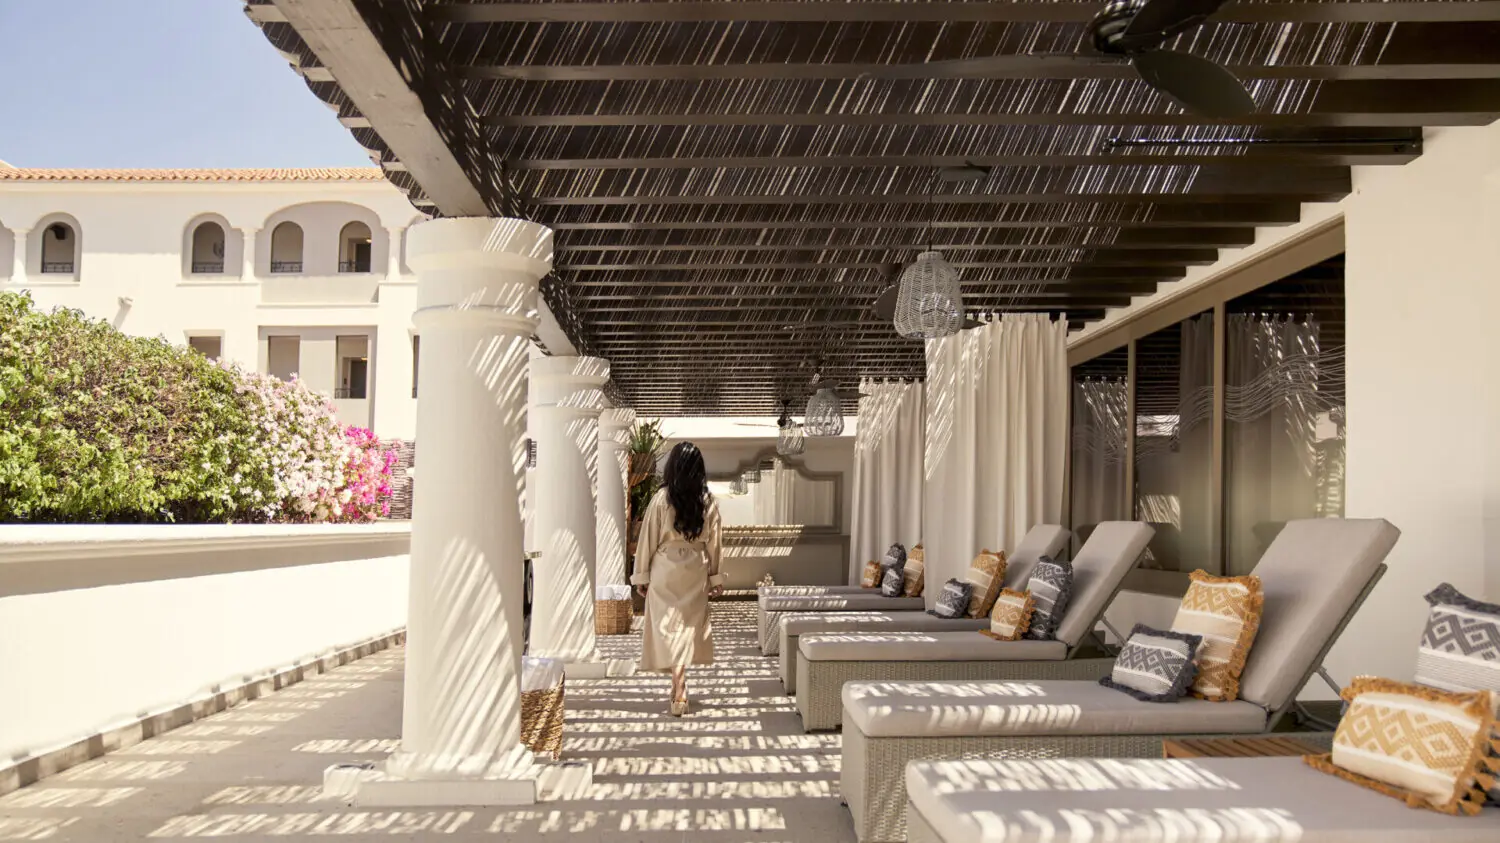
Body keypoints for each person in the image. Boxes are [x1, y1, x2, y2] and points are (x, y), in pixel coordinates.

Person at [630, 441, 724, 716]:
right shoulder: (708, 501)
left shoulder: (661, 499)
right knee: (686, 627)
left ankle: (678, 684)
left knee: (668, 627)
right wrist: (715, 577)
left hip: (665, 569)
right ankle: (679, 685)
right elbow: (716, 543)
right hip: (695, 570)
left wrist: (642, 576)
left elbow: (647, 538)